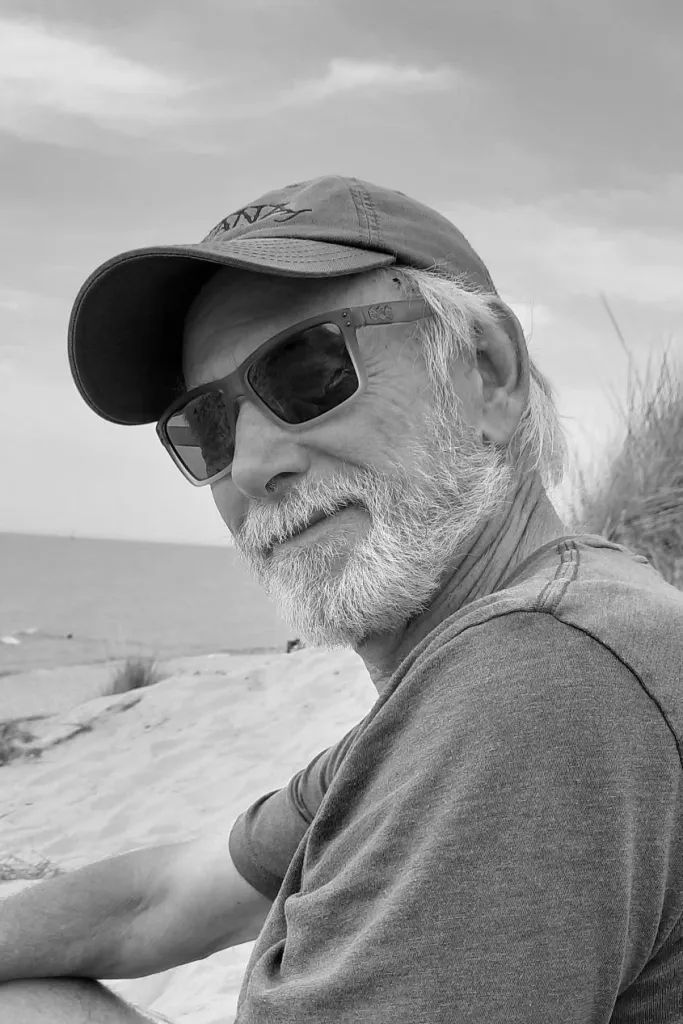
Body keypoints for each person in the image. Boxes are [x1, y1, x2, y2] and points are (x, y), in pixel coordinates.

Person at [1, 176, 681, 1023]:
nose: (249, 466)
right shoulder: (473, 664)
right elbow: (165, 895)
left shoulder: (540, 675)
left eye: (309, 370)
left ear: (487, 373)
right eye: (205, 425)